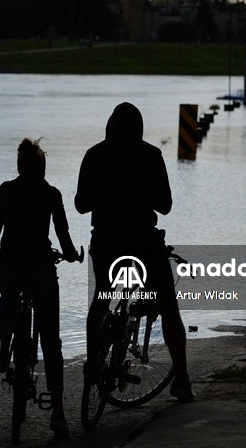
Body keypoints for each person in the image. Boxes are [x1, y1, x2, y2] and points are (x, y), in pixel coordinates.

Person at [75, 102, 193, 403]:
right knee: (168, 305)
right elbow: (165, 206)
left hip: (105, 245)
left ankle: (92, 361)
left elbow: (80, 204)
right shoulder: (151, 155)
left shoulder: (94, 154)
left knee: (101, 297)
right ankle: (181, 379)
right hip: (143, 244)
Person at [0, 138, 79, 438]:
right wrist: (73, 254)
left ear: (19, 167)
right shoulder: (51, 194)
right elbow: (62, 235)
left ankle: (2, 351)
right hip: (41, 269)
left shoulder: (6, 190)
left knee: (8, 292)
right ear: (42, 169)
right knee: (51, 340)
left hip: (10, 265)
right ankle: (59, 414)